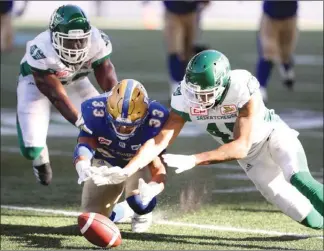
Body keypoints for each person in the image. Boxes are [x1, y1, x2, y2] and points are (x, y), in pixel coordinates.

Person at [95, 50, 323, 230]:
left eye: (204, 94)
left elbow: (241, 146)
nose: (197, 99)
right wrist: (128, 170)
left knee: (298, 178)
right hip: (253, 160)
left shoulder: (241, 86)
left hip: (272, 136)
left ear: (223, 86)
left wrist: (195, 159)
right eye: (194, 92)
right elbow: (159, 142)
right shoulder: (185, 96)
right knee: (311, 220)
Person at [16, 4, 118, 186]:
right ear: (54, 37)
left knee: (105, 124)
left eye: (81, 40)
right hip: (36, 83)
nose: (77, 46)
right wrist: (79, 120)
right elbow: (56, 95)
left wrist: (116, 103)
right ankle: (40, 155)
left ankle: (104, 166)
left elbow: (107, 76)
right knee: (31, 149)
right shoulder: (41, 49)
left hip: (76, 81)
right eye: (69, 41)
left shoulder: (97, 40)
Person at [73, 79, 168, 233]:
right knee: (93, 219)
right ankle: (123, 211)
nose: (123, 128)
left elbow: (158, 169)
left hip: (138, 163)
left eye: (130, 125)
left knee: (140, 202)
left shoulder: (156, 120)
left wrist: (152, 189)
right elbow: (84, 143)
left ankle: (139, 211)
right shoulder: (93, 110)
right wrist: (82, 164)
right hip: (106, 161)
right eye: (117, 124)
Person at [162, 0, 210, 97]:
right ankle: (176, 87)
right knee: (176, 51)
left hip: (192, 13)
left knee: (188, 52)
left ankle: (188, 84)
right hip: (173, 12)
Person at [256, 0, 298, 102]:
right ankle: (261, 87)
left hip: (290, 16)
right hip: (271, 17)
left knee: (286, 52)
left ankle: (286, 68)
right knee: (268, 51)